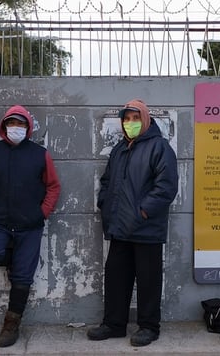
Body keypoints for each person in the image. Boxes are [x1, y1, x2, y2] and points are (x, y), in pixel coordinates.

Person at [86, 99, 179, 347]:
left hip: (145, 229)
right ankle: (114, 324)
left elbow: (166, 187)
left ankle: (149, 327)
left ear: (145, 120)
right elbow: (107, 181)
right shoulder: (119, 149)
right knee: (116, 277)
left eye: (135, 118)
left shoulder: (160, 148)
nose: (130, 123)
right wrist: (105, 204)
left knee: (148, 281)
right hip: (119, 227)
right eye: (126, 119)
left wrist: (142, 213)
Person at [0, 105, 61, 348]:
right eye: (12, 123)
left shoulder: (40, 154)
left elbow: (53, 186)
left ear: (28, 128)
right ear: (4, 126)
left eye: (20, 124)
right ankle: (14, 259)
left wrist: (42, 213)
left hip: (30, 225)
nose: (16, 128)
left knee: (22, 277)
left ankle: (11, 324)